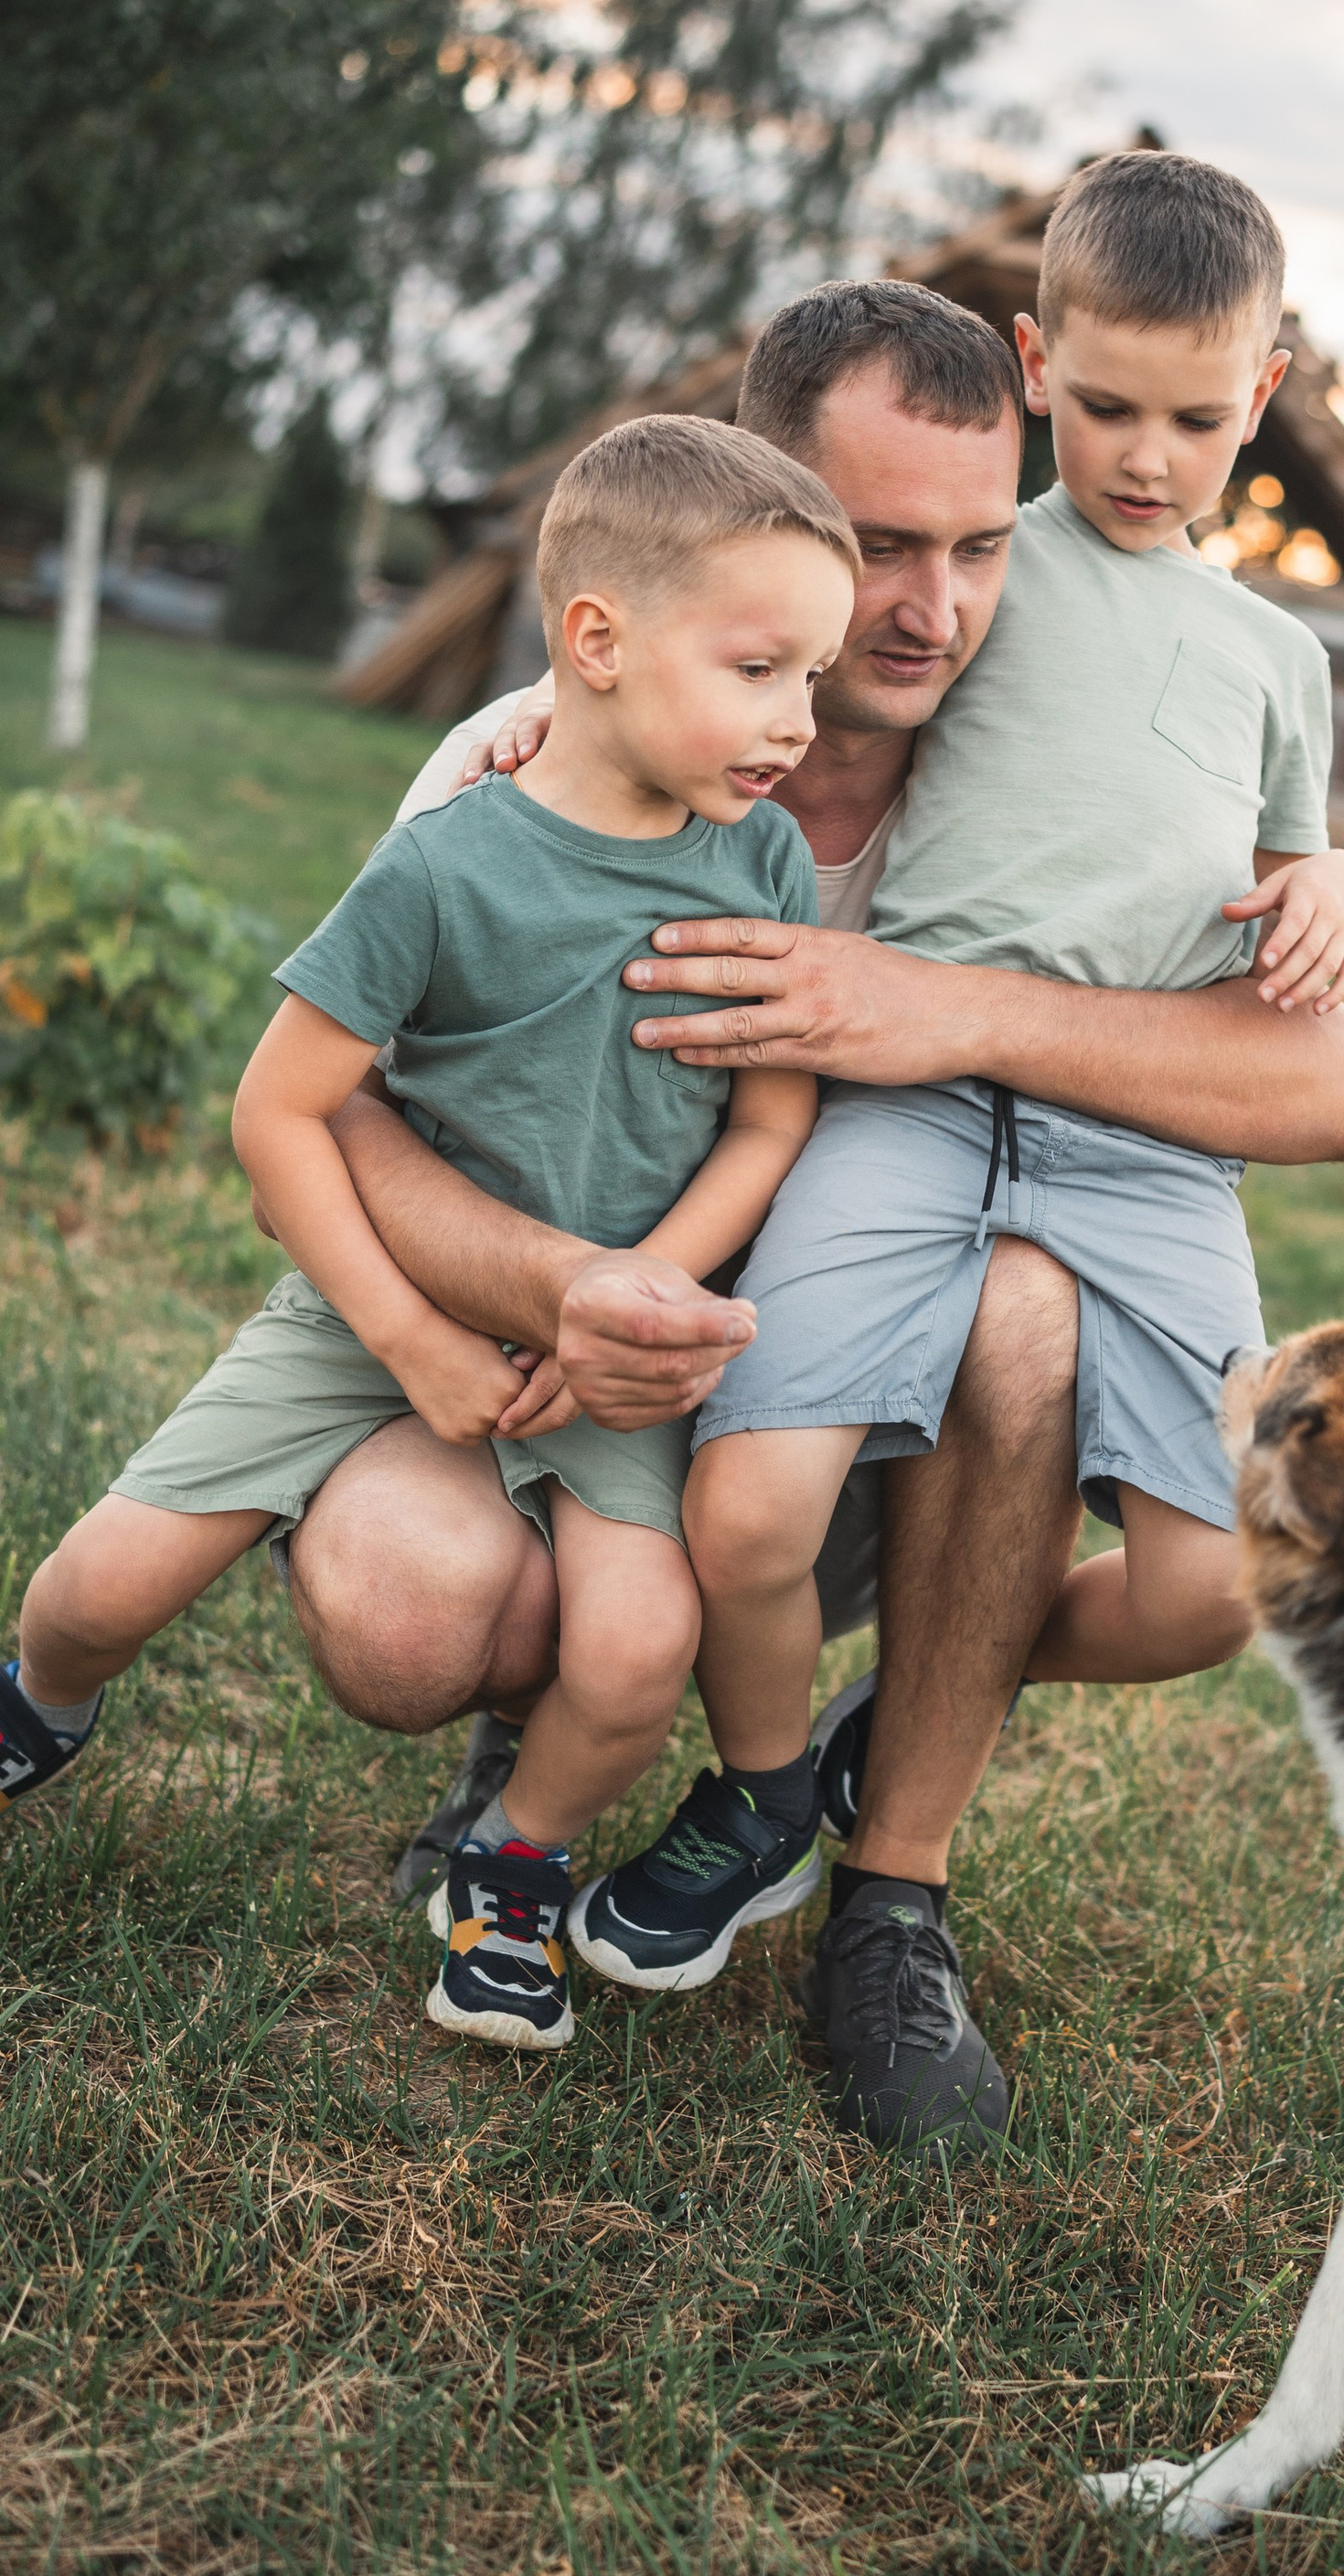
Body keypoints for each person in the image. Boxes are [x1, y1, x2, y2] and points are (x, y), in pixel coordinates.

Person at [287, 278, 1344, 2146]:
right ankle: (536, 1744)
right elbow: (341, 1117)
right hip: (549, 1384)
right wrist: (572, 1289)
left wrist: (946, 1008)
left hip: (856, 1452)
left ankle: (882, 1887)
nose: (932, 610)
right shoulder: (537, 771)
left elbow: (1342, 1088)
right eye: (878, 546)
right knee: (405, 1613)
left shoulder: (1034, 753)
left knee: (1028, 1310)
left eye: (979, 546)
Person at [571, 153, 1344, 2150]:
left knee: (1216, 1585)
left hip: (1141, 1153)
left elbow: (1297, 916)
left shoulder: (1276, 659)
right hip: (904, 1113)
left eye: (1195, 418)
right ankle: (771, 1797)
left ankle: (881, 1742)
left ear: (1263, 397)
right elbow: (735, 638)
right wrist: (544, 733)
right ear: (1034, 370)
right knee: (752, 1508)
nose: (1144, 456)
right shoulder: (985, 572)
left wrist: (1339, 877)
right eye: (1101, 408)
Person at [1, 418, 855, 2053]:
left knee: (639, 1646)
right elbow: (281, 1112)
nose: (799, 721)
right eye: (760, 670)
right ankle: (40, 1705)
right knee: (96, 1588)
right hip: (374, 1311)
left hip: (613, 1359)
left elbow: (769, 1122)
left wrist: (647, 1288)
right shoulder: (447, 861)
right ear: (596, 642)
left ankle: (510, 1863)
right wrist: (411, 1339)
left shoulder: (763, 864)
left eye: (811, 677)